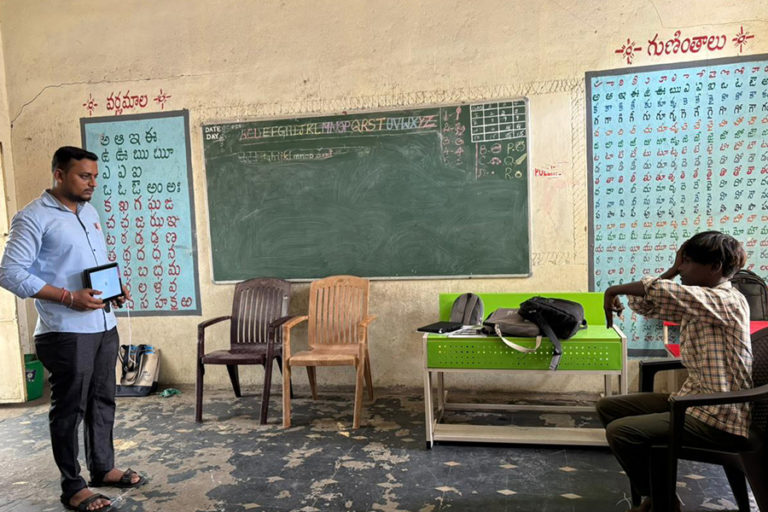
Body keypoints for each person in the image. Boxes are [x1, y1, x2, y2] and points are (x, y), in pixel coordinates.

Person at [0, 147, 145, 511]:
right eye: (84, 176)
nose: (91, 183)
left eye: (94, 176)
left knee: (103, 400)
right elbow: (10, 273)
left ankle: (103, 467)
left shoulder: (89, 212)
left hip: (103, 324)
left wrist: (113, 289)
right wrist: (68, 297)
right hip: (65, 331)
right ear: (59, 174)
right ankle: (73, 486)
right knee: (70, 409)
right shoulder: (33, 217)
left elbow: (90, 263)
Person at [597, 231, 752, 512]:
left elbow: (658, 291)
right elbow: (647, 304)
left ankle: (662, 502)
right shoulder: (700, 301)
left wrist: (613, 290)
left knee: (623, 432)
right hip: (695, 402)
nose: (681, 269)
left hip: (719, 417)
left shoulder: (726, 301)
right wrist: (669, 272)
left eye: (687, 262)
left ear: (715, 267)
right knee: (609, 408)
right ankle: (659, 495)